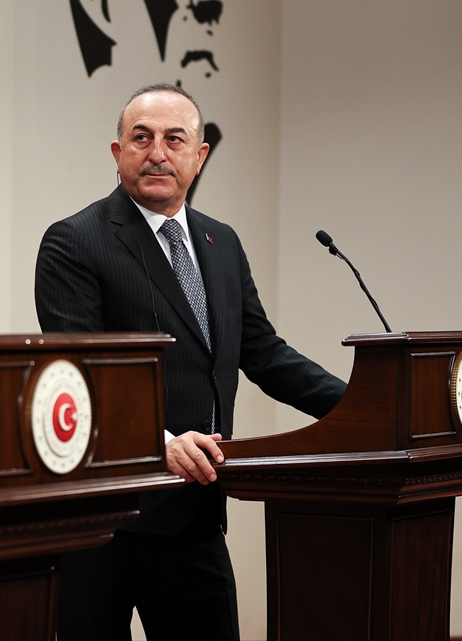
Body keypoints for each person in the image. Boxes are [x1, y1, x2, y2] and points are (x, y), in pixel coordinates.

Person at [34, 83, 346, 641]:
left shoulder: (221, 242)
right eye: (142, 138)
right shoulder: (75, 242)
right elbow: (79, 377)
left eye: (174, 140)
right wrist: (158, 441)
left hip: (194, 512)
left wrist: (360, 404)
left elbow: (263, 352)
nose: (157, 153)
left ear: (199, 157)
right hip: (103, 519)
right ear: (117, 152)